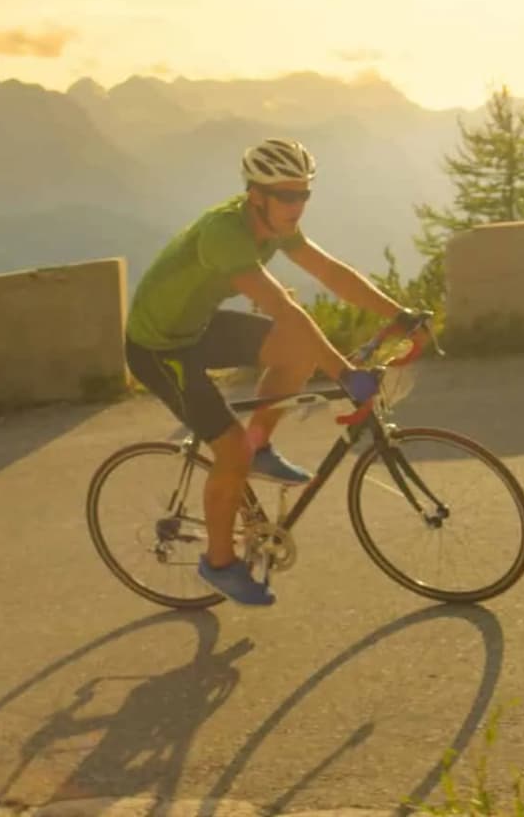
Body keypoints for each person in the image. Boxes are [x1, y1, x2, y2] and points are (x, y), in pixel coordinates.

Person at [122, 137, 418, 607]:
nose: (296, 205)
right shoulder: (225, 232)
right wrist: (344, 374)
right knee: (230, 450)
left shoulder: (276, 224)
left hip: (197, 327)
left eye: (303, 194)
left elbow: (331, 273)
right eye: (286, 195)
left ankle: (259, 447)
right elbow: (283, 307)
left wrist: (399, 313)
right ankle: (218, 562)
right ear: (256, 195)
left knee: (296, 354)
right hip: (158, 347)